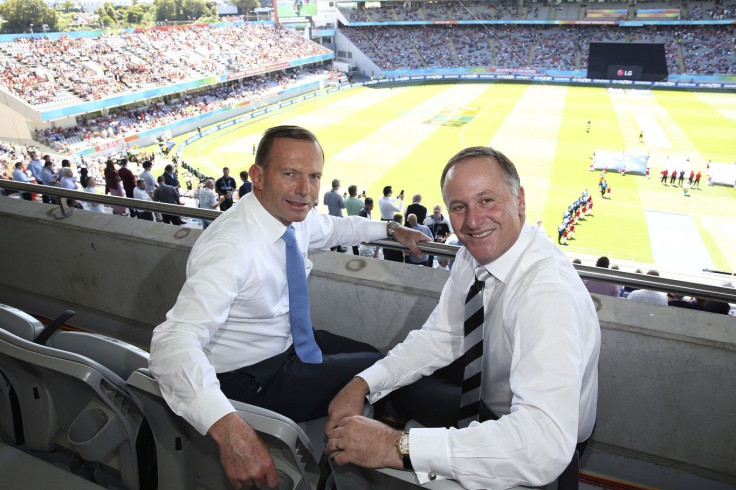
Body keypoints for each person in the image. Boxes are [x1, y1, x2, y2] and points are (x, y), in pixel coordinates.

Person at [148, 125, 429, 489]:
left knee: (370, 355)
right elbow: (172, 342)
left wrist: (392, 230)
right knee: (379, 370)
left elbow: (336, 227)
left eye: (313, 177)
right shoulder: (231, 247)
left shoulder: (288, 216)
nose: (305, 190)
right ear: (258, 176)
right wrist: (229, 427)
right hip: (248, 378)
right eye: (291, 174)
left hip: (289, 345)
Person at [324, 146, 600, 489]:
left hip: (536, 440)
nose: (472, 221)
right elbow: (443, 336)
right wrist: (362, 383)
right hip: (489, 402)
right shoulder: (475, 254)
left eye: (487, 200)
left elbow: (542, 443)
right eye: (459, 207)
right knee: (401, 389)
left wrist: (395, 445)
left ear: (520, 201)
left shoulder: (547, 294)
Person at [345, 185, 365, 255]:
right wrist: (363, 198)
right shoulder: (360, 201)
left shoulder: (346, 200)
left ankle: (355, 252)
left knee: (354, 239)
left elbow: (346, 203)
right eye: (356, 190)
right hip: (357, 222)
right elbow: (365, 206)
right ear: (354, 192)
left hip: (350, 221)